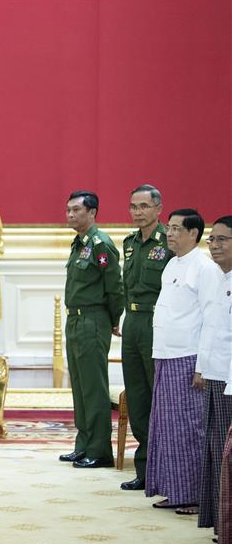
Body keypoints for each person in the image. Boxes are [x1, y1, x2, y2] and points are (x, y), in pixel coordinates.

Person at [146, 208, 221, 515]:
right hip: (165, 354)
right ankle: (174, 489)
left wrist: (203, 365)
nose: (170, 234)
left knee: (188, 428)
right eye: (169, 228)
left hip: (188, 357)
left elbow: (210, 318)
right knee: (166, 427)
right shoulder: (172, 265)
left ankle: (192, 495)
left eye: (177, 229)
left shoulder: (204, 267)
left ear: (194, 233)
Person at [59, 190, 123, 468]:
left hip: (93, 320)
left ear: (92, 212)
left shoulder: (101, 243)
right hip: (75, 320)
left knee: (94, 387)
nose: (70, 215)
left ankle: (99, 450)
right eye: (68, 210)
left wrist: (112, 320)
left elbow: (114, 287)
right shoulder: (79, 243)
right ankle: (83, 444)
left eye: (76, 210)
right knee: (80, 386)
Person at [118, 185, 173, 490]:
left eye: (143, 206)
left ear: (158, 208)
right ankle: (144, 468)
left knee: (159, 396)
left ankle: (165, 467)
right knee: (137, 396)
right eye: (133, 207)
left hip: (157, 321)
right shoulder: (129, 243)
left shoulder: (169, 242)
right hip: (132, 321)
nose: (137, 212)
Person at [196, 216, 232, 533]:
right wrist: (203, 368)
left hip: (229, 381)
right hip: (214, 374)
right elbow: (211, 331)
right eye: (212, 240)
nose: (215, 246)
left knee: (225, 451)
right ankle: (219, 522)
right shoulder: (220, 280)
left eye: (223, 239)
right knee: (213, 448)